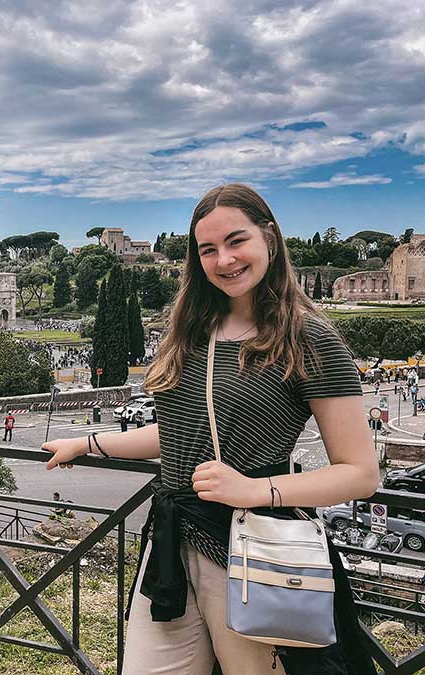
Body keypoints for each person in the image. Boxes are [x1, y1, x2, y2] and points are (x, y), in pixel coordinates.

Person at [43, 184, 378, 675]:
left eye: (236, 241)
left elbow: (360, 474)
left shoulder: (310, 338)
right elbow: (180, 433)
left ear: (270, 237)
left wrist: (252, 489)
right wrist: (87, 442)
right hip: (171, 545)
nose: (224, 259)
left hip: (252, 548)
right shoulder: (192, 329)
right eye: (208, 249)